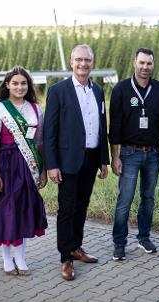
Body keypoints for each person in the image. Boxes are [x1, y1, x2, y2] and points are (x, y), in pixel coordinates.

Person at [44, 44, 109, 281]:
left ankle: (76, 247)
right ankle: (65, 258)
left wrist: (104, 160)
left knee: (82, 206)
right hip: (68, 160)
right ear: (72, 62)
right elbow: (50, 131)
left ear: (93, 63)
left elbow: (103, 127)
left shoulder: (98, 91)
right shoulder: (59, 90)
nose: (83, 64)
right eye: (79, 60)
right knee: (67, 209)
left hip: (91, 158)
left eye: (88, 60)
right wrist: (51, 164)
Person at [0, 66, 48, 276]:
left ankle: (21, 257)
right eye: (15, 83)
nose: (20, 87)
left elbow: (39, 143)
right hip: (6, 167)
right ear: (7, 85)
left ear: (28, 86)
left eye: (23, 83)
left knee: (24, 211)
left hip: (28, 168)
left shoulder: (37, 109)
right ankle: (7, 259)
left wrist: (43, 171)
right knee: (7, 212)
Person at [109, 48, 159, 261]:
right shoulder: (122, 89)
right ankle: (119, 243)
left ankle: (144, 238)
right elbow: (114, 127)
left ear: (153, 65)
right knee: (125, 199)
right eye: (141, 63)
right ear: (134, 62)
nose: (145, 67)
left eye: (149, 64)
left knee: (148, 198)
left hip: (153, 154)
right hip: (129, 153)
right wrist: (114, 157)